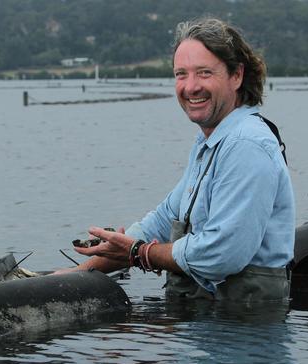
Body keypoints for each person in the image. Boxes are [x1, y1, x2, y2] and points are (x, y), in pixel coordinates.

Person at [60, 17, 295, 302]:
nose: (191, 86)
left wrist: (138, 253)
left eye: (204, 73)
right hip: (212, 320)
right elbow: (161, 222)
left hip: (245, 328)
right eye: (181, 74)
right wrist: (77, 274)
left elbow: (223, 254)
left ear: (237, 76)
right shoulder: (210, 143)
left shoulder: (246, 144)